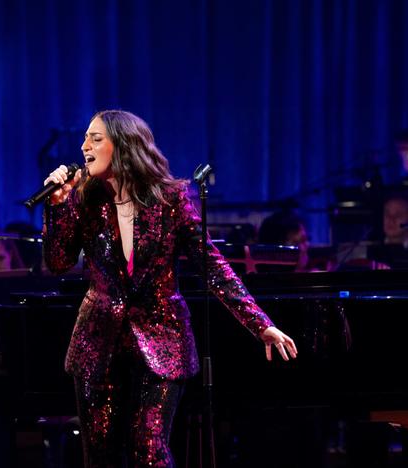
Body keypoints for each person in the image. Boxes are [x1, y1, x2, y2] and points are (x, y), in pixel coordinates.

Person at [42, 110, 297, 467]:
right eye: (85, 138)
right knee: (100, 456)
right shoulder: (84, 198)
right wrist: (57, 208)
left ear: (125, 144)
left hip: (161, 339)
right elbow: (57, 262)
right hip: (97, 342)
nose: (84, 146)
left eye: (95, 138)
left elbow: (212, 265)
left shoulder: (170, 200)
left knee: (149, 448)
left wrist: (260, 324)